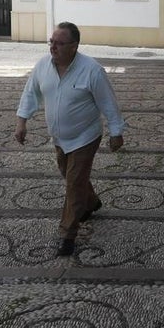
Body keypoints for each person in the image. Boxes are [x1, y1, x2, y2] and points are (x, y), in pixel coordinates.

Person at [14, 22, 125, 257]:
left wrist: (116, 132)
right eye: (51, 42)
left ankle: (68, 235)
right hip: (59, 138)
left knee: (74, 182)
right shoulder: (43, 66)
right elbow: (30, 92)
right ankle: (92, 202)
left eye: (59, 43)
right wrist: (21, 122)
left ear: (74, 46)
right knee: (70, 174)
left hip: (85, 136)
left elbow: (108, 102)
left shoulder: (92, 70)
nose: (53, 47)